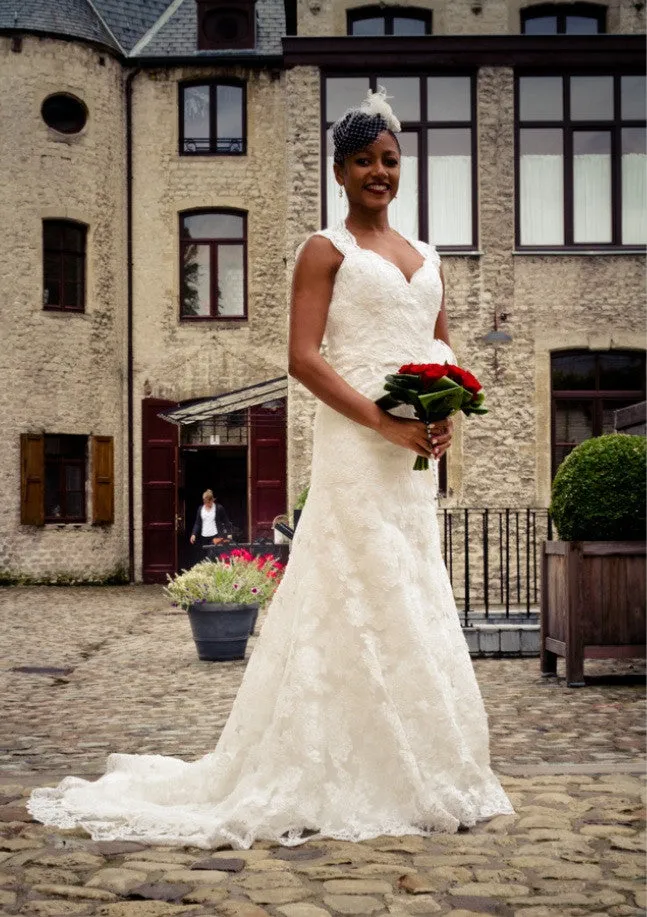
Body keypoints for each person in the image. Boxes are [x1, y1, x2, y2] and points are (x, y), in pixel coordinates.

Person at [28, 88, 513, 848]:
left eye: (389, 159)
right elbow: (302, 358)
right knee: (355, 586)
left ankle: (421, 762)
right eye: (363, 161)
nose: (378, 172)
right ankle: (331, 766)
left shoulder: (428, 258)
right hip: (357, 445)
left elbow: (438, 348)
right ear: (340, 171)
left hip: (411, 462)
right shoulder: (324, 250)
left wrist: (439, 413)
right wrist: (383, 420)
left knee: (412, 585)